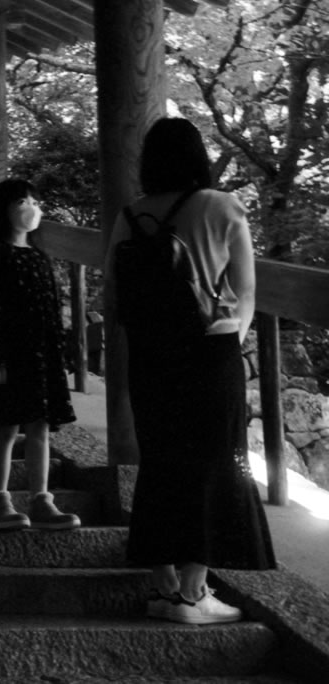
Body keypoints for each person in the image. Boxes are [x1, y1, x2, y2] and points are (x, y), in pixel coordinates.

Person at [105, 117, 274, 624]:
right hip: (208, 353)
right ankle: (194, 592)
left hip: (152, 356)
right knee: (216, 463)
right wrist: (230, 338)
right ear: (198, 157)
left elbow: (113, 298)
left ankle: (163, 586)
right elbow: (244, 291)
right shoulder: (222, 206)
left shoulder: (131, 214)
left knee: (161, 460)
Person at [0, 178, 81, 532]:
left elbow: (52, 310)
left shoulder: (38, 257)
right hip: (11, 353)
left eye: (36, 200)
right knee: (6, 427)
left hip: (42, 354)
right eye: (23, 200)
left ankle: (41, 498)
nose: (32, 207)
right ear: (4, 209)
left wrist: (62, 352)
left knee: (40, 426)